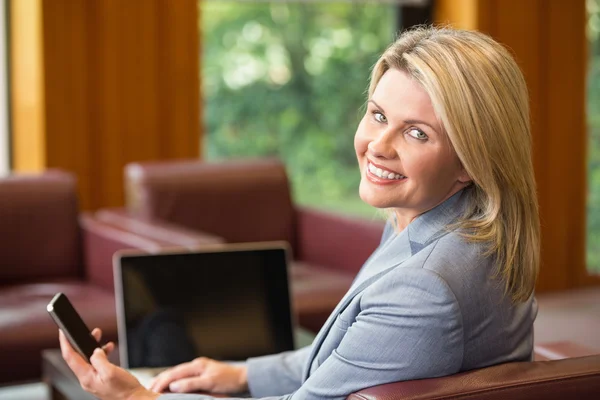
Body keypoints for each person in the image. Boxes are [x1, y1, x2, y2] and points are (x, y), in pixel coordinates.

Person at [59, 26, 540, 400]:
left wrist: (135, 396)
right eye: (377, 115)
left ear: (471, 161)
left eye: (417, 133)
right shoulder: (448, 222)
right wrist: (241, 373)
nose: (379, 146)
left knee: (160, 339)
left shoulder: (425, 288)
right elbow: (351, 358)